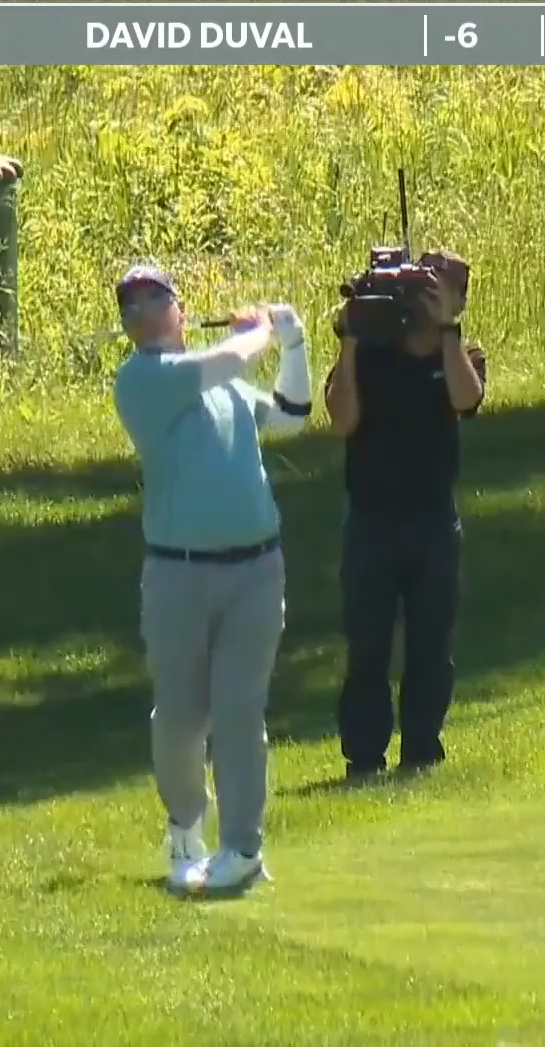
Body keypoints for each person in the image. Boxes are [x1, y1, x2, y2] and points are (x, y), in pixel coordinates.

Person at [109, 262, 312, 895]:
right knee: (180, 715)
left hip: (256, 569)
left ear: (178, 305)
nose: (142, 309)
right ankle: (185, 827)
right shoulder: (144, 378)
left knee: (238, 710)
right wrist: (261, 333)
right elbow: (225, 363)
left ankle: (243, 849)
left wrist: (297, 345)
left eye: (154, 297)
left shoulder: (222, 382)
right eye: (131, 304)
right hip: (179, 576)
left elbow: (290, 416)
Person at [321, 252, 486, 781]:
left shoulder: (460, 354)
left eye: (445, 288)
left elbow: (466, 397)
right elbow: (342, 419)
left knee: (430, 643)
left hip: (434, 520)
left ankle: (421, 748)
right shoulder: (370, 354)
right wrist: (347, 342)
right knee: (367, 644)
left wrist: (447, 333)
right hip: (371, 521)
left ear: (458, 300)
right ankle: (364, 756)